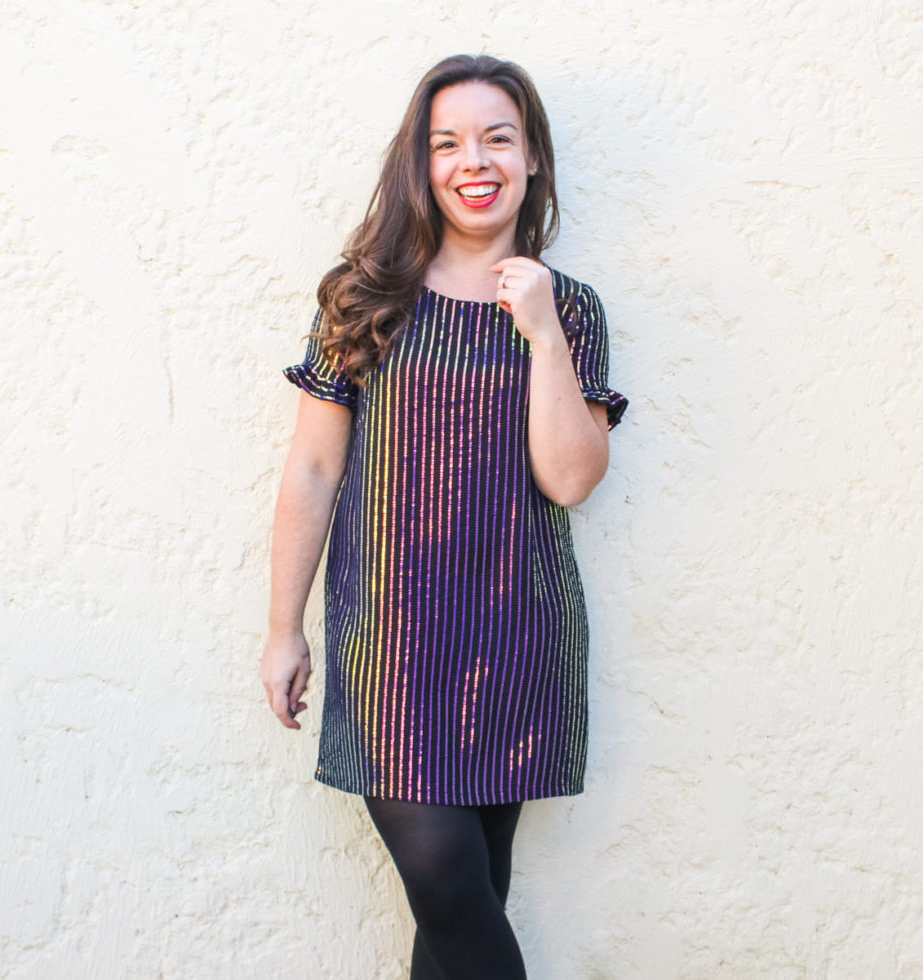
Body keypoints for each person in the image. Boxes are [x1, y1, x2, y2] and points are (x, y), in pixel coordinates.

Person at [261, 54, 627, 980]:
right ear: (421, 164)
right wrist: (283, 628)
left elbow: (570, 479)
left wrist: (542, 330)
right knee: (453, 891)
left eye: (499, 138)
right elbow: (313, 468)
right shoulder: (363, 296)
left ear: (532, 156)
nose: (475, 161)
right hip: (391, 643)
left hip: (519, 636)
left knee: (464, 910)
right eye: (448, 143)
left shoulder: (570, 309)